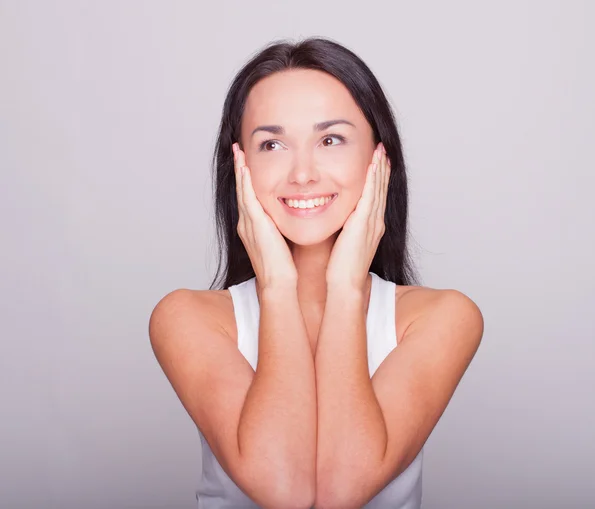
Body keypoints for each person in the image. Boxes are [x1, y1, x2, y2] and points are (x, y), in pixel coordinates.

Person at [149, 37, 484, 509]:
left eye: (330, 140)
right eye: (271, 144)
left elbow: (340, 492)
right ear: (239, 166)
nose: (302, 174)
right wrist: (277, 287)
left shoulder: (441, 317)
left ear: (379, 159)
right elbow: (284, 491)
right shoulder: (188, 318)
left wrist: (347, 287)